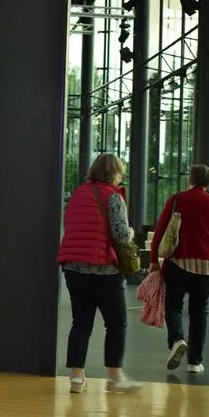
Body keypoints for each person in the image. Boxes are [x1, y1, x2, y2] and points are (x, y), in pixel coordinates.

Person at [57, 153, 141, 394]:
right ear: (114, 174)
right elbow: (121, 235)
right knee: (116, 323)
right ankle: (115, 378)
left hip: (73, 267)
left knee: (81, 324)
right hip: (103, 269)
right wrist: (132, 232)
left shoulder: (77, 195)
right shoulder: (113, 197)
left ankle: (76, 378)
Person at [149, 164, 209, 374]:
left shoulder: (177, 200)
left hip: (180, 262)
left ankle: (177, 340)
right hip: (208, 265)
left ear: (190, 179)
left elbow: (160, 231)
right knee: (200, 311)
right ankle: (194, 363)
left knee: (173, 305)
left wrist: (153, 260)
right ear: (208, 182)